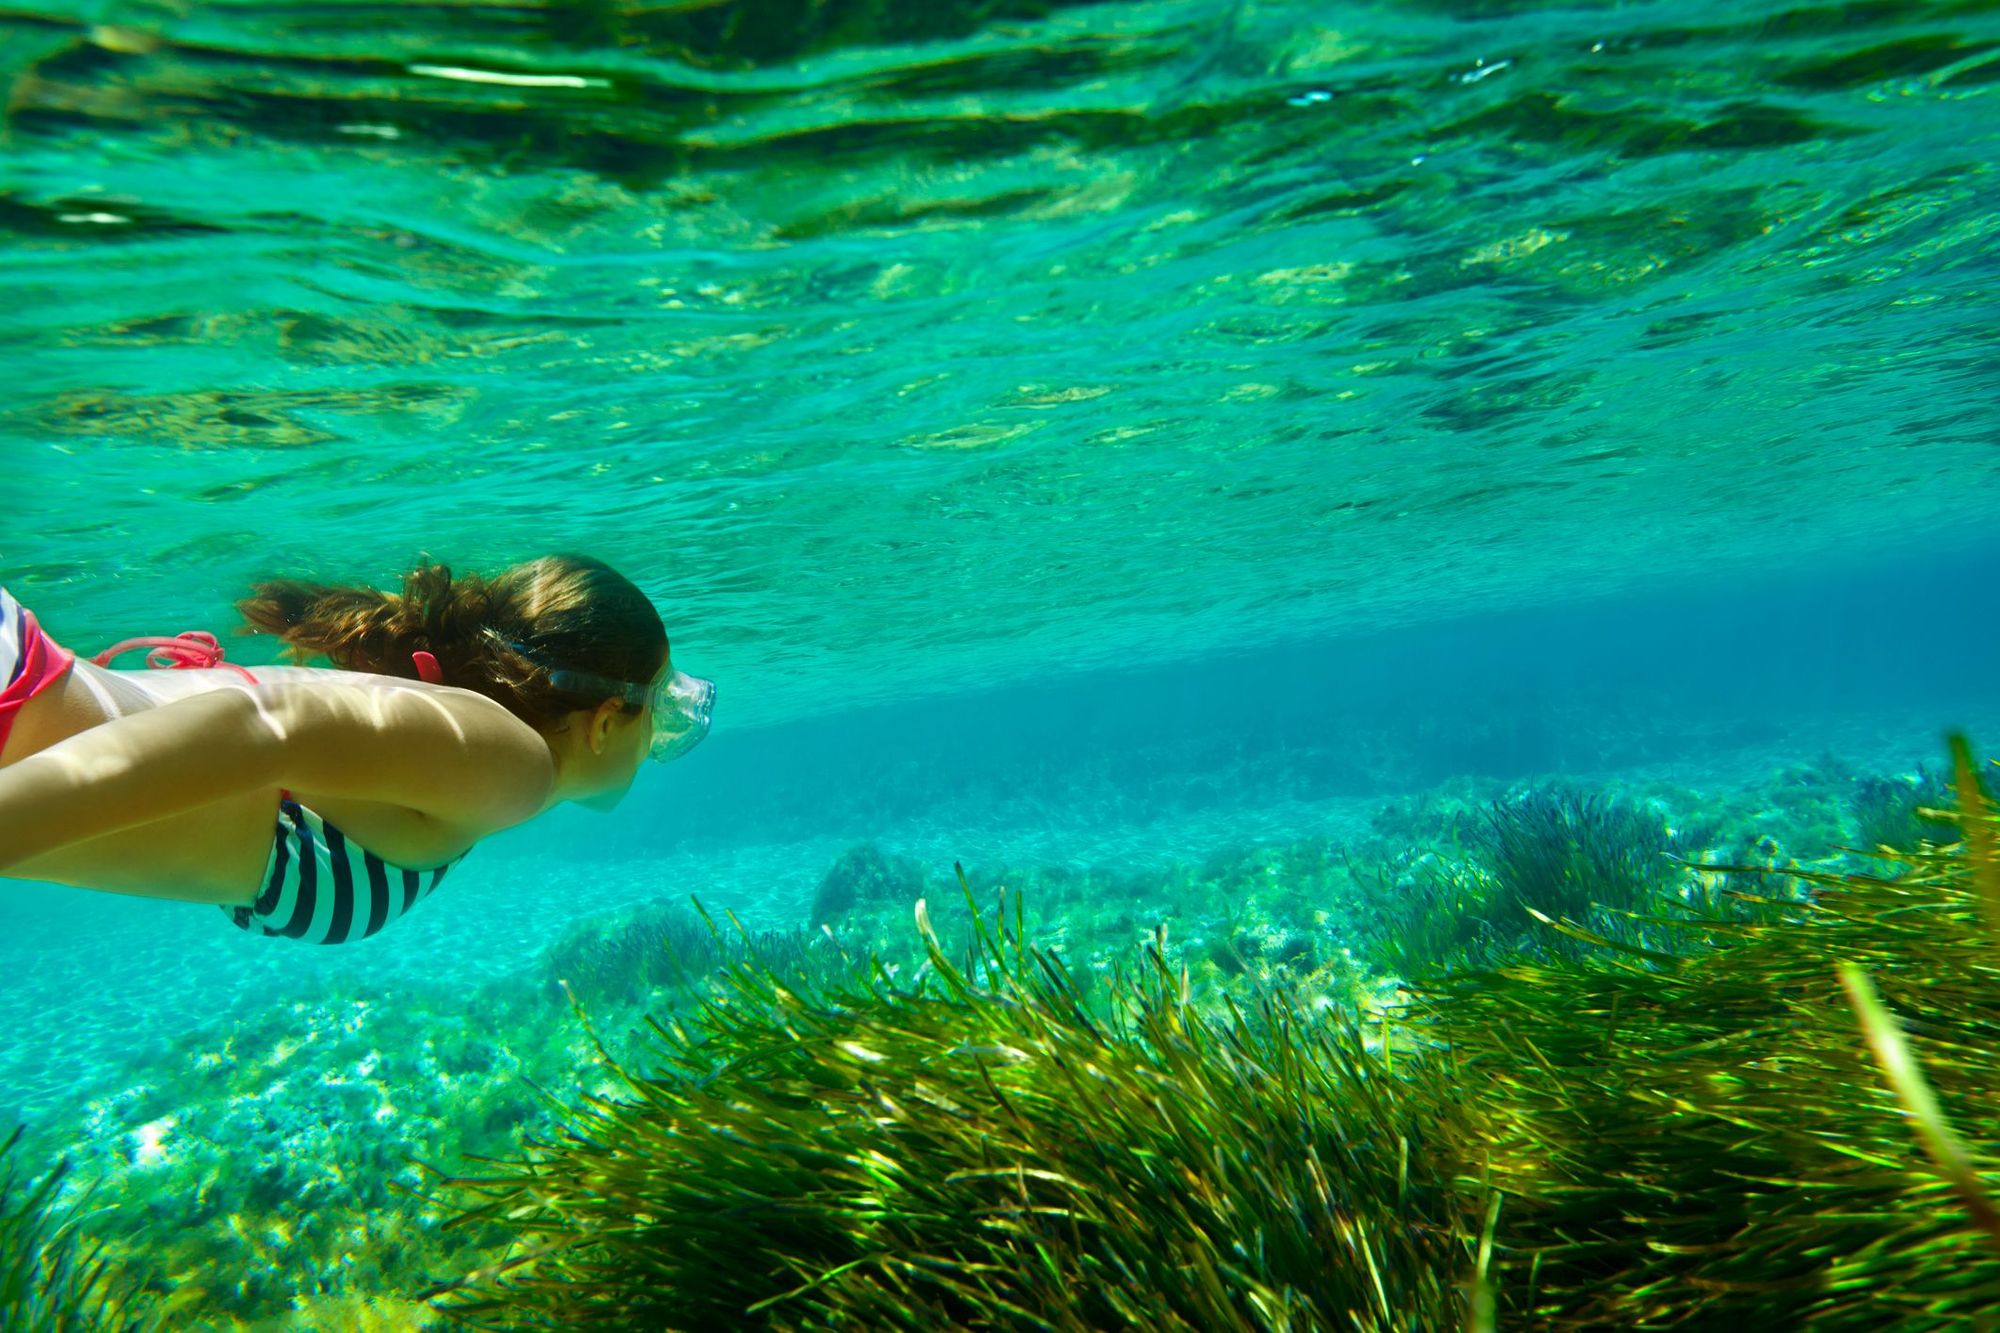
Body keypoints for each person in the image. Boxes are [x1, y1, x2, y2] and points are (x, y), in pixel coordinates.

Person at [0, 554, 714, 944]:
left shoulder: (472, 765)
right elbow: (270, 725)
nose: (660, 742)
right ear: (605, 718)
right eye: (664, 709)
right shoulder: (515, 765)